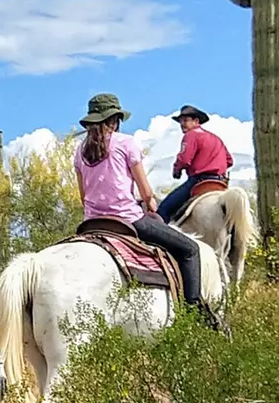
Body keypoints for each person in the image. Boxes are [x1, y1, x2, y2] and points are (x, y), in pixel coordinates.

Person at [71, 93, 206, 309]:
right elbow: (145, 191)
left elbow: (83, 196)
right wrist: (150, 204)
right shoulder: (125, 143)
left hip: (91, 222)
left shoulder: (80, 151)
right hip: (127, 219)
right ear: (114, 121)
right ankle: (194, 310)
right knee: (189, 249)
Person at [157, 104, 233, 221]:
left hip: (199, 181)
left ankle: (159, 237)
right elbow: (229, 160)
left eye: (186, 120)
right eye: (181, 121)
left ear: (196, 121)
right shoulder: (216, 138)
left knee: (163, 209)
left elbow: (184, 159)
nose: (182, 124)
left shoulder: (191, 135)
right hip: (219, 182)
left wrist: (176, 170)